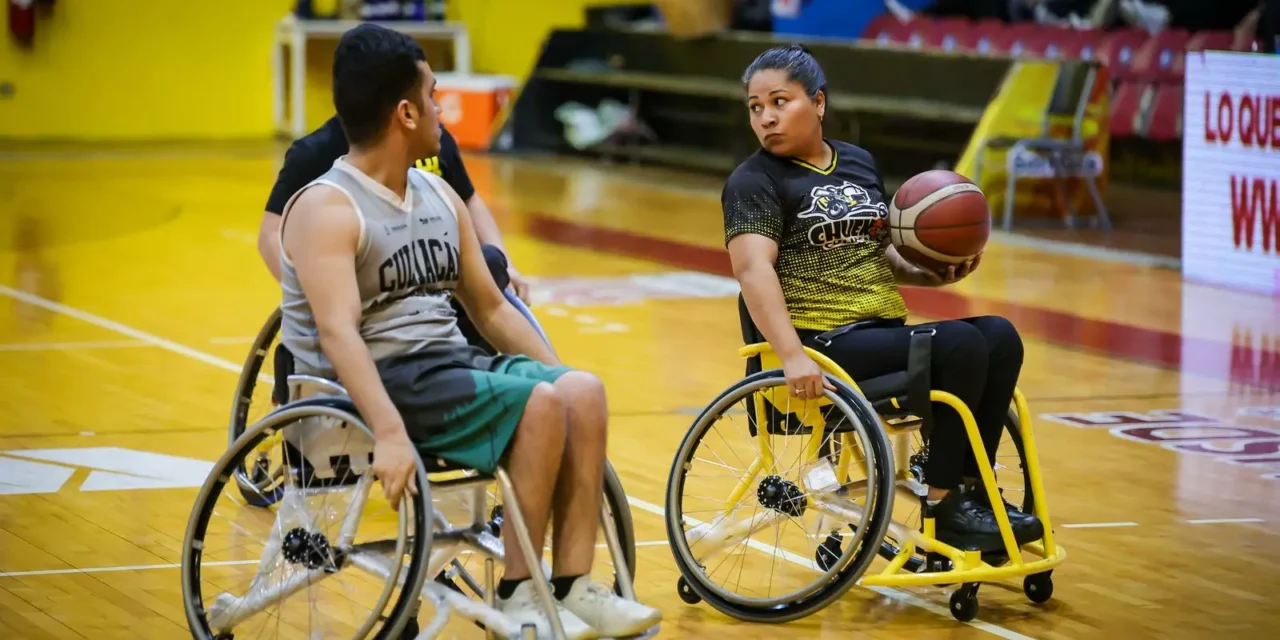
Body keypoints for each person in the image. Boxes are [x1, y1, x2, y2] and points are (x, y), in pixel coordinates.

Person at [277, 24, 661, 639]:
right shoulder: (327, 206)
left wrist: (559, 379)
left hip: (442, 368)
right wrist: (390, 433)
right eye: (432, 95)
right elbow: (337, 335)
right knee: (538, 405)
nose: (440, 107)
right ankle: (517, 594)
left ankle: (571, 586)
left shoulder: (436, 192)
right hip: (364, 386)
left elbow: (492, 308)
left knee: (581, 392)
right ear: (404, 112)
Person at [722, 43, 1044, 552]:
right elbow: (752, 269)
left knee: (999, 336)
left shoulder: (858, 162)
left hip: (881, 332)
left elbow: (876, 256)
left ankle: (972, 490)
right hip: (821, 344)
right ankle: (945, 503)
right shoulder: (754, 181)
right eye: (756, 107)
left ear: (819, 102)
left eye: (780, 102)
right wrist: (790, 355)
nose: (766, 117)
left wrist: (933, 275)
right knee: (960, 344)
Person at [260, 98, 530, 355]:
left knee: (492, 262)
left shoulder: (432, 139)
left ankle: (468, 361)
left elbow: (469, 199)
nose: (436, 106)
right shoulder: (314, 153)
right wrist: (317, 294)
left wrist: (509, 263)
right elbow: (270, 235)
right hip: (372, 283)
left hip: (432, 279)